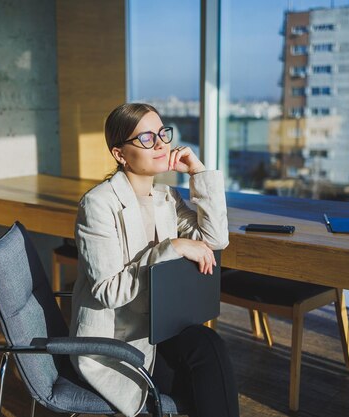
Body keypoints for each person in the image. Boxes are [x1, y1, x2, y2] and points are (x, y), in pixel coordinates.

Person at [70, 103, 239, 417]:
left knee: (208, 345)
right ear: (120, 154)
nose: (162, 144)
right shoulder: (98, 204)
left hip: (161, 328)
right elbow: (109, 291)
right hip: (119, 342)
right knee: (199, 376)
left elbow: (215, 241)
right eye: (147, 138)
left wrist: (199, 173)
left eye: (163, 134)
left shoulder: (166, 198)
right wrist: (171, 247)